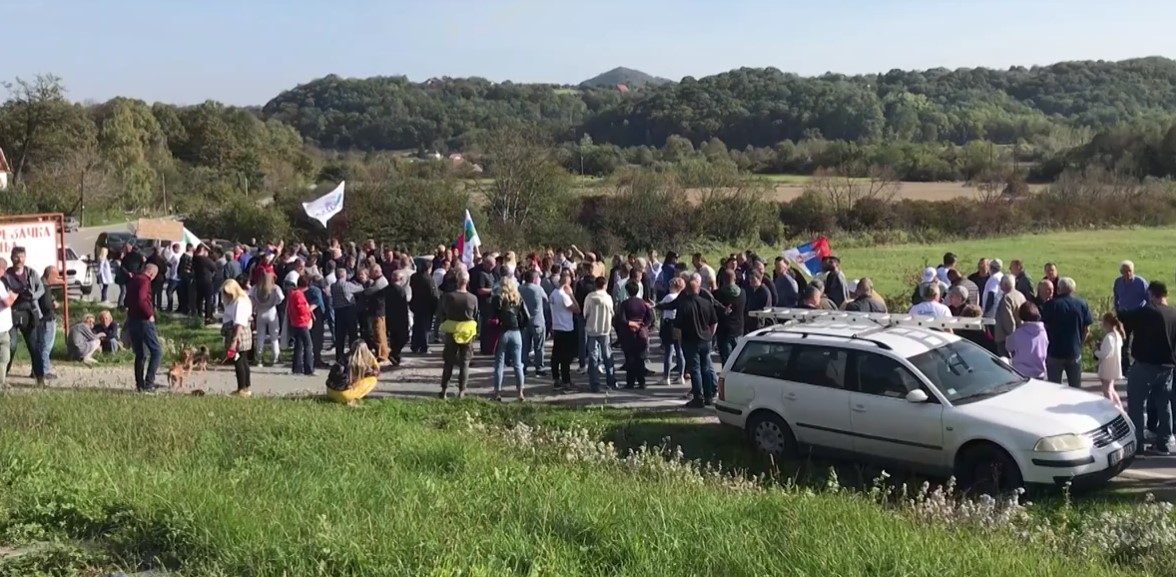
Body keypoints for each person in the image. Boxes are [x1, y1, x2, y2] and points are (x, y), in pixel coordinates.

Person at [1118, 281, 1176, 454]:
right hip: (1167, 367)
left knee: (1136, 404)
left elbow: (1124, 316)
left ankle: (1138, 443)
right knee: (1164, 405)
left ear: (1151, 294)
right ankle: (1164, 443)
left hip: (1145, 365)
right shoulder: (1174, 314)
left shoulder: (1148, 312)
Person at [1040, 277, 1094, 388]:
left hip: (1055, 351)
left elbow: (1043, 327)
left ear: (1058, 289)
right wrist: (1080, 344)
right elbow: (1087, 329)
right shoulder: (1082, 304)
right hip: (1074, 351)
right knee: (1075, 388)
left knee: (1053, 388)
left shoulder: (1051, 305)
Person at [674, 273, 719, 407]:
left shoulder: (684, 305)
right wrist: (710, 334)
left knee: (695, 369)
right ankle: (709, 396)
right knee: (705, 368)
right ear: (698, 289)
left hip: (690, 340)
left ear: (687, 290)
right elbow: (714, 321)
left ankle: (698, 398)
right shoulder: (706, 303)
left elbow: (677, 326)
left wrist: (679, 341)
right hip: (706, 340)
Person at [4, 247, 46, 385]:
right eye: (17, 257)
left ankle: (40, 377)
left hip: (29, 312)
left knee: (34, 346)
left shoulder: (31, 273)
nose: (19, 260)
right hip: (11, 313)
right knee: (11, 345)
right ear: (12, 258)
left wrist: (33, 295)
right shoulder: (6, 275)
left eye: (22, 256)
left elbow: (41, 289)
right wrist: (12, 295)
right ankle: (3, 375)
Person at [439, 266, 478, 399]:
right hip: (467, 333)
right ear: (467, 282)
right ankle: (462, 390)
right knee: (465, 362)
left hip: (451, 331)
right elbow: (476, 315)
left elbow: (443, 312)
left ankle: (444, 389)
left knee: (448, 362)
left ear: (457, 281)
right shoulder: (473, 298)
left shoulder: (449, 297)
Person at [491, 276, 529, 401]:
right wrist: (520, 327)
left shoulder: (498, 299)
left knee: (499, 364)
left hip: (503, 331)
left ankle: (497, 392)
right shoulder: (518, 298)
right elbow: (526, 317)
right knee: (518, 364)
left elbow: (493, 315)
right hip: (516, 332)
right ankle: (520, 392)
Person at [126, 263, 162, 392]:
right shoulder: (144, 281)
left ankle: (140, 384)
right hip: (144, 320)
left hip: (133, 319)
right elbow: (142, 299)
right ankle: (149, 383)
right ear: (152, 273)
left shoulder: (134, 279)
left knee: (140, 353)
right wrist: (149, 314)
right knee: (156, 351)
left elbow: (127, 300)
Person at [617, 280, 654, 389]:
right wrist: (643, 325)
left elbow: (621, 319)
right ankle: (642, 381)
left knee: (630, 358)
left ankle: (630, 382)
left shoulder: (625, 304)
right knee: (640, 358)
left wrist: (630, 323)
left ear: (627, 291)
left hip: (628, 333)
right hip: (641, 333)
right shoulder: (643, 303)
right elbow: (650, 317)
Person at [1113, 260, 1148, 376]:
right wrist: (1117, 309)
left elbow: (1147, 298)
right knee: (1124, 341)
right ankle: (1126, 368)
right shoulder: (1118, 282)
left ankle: (1139, 366)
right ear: (1121, 272)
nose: (1127, 274)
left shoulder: (1140, 282)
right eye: (1124, 272)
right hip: (1124, 315)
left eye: (1129, 271)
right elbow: (1116, 296)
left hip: (1137, 314)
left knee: (1139, 340)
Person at [583, 276, 617, 392]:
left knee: (593, 357)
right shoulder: (608, 298)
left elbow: (585, 313)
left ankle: (594, 384)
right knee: (607, 355)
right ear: (605, 285)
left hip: (592, 329)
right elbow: (612, 313)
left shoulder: (589, 297)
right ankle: (611, 380)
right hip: (605, 329)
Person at [221, 279, 254, 396]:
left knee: (238, 359)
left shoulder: (239, 302)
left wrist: (234, 341)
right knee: (243, 359)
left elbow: (239, 322)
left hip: (238, 333)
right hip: (239, 332)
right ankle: (246, 386)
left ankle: (242, 387)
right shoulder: (241, 299)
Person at [325, 340, 381, 406]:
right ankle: (352, 399)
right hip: (343, 395)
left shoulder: (343, 357)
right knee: (373, 380)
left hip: (329, 391)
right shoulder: (361, 365)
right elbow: (376, 372)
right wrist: (372, 358)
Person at [549, 270, 579, 389]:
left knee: (556, 355)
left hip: (556, 326)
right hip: (566, 328)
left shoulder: (553, 294)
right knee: (565, 357)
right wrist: (571, 295)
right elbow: (577, 309)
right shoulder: (564, 296)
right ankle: (566, 381)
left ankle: (556, 378)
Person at [1005, 302, 1048, 379]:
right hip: (1039, 372)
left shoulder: (1019, 333)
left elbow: (1008, 346)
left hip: (1021, 373)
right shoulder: (1043, 332)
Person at [250, 272, 284, 366]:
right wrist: (275, 303)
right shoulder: (275, 288)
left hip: (260, 312)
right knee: (274, 337)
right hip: (272, 312)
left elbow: (251, 298)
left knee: (260, 337)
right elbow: (281, 298)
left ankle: (259, 358)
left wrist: (255, 306)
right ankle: (275, 358)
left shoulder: (256, 288)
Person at [714, 268, 745, 365]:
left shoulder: (717, 294)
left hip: (724, 331)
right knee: (737, 359)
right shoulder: (743, 293)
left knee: (726, 360)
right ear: (735, 278)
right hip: (738, 329)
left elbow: (714, 311)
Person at [520, 269, 548, 377]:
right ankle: (539, 368)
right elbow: (546, 299)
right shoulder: (538, 289)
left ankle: (523, 366)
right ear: (535, 279)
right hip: (537, 321)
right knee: (539, 346)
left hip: (524, 321)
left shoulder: (520, 288)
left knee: (525, 346)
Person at [1095, 312, 1125, 410]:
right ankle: (1119, 407)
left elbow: (1105, 354)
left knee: (1106, 389)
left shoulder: (1109, 337)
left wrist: (1096, 352)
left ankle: (1111, 408)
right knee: (1111, 388)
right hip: (1114, 366)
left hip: (1108, 367)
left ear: (1107, 323)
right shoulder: (1117, 335)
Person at [287, 275, 315, 376]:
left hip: (295, 322)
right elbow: (302, 310)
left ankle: (297, 368)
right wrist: (308, 315)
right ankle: (309, 368)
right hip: (302, 322)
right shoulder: (299, 294)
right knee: (308, 345)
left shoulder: (292, 293)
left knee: (298, 345)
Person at [993, 275, 1027, 357]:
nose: (999, 285)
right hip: (1021, 335)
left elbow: (1008, 321)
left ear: (1005, 285)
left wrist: (1011, 340)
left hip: (1005, 339)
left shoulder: (1006, 299)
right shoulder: (1020, 295)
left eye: (1001, 283)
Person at [0, 258, 15, 388]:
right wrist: (13, 295)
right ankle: (1, 382)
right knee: (4, 357)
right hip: (1, 328)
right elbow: (7, 302)